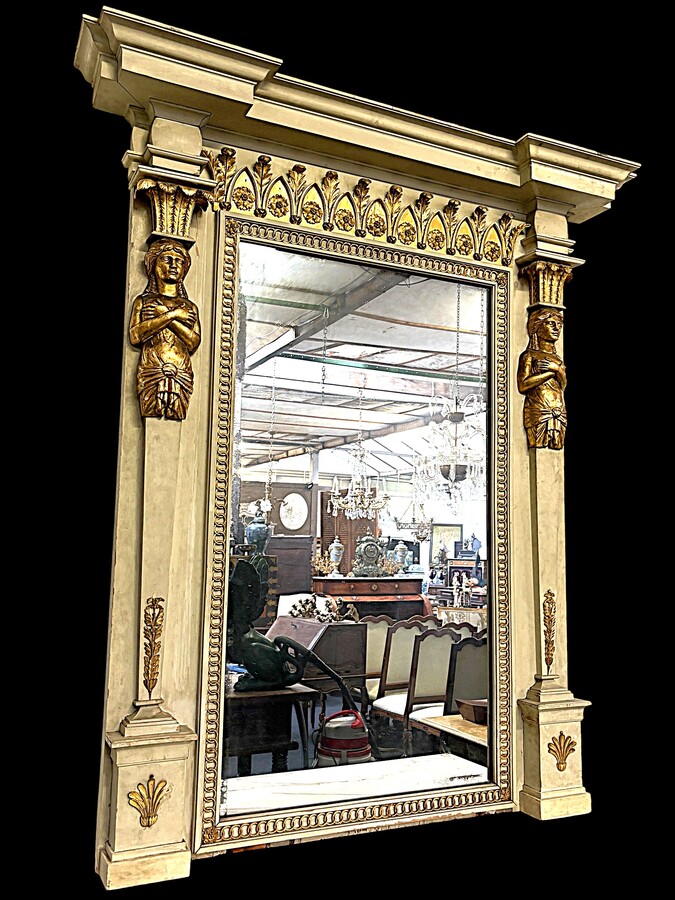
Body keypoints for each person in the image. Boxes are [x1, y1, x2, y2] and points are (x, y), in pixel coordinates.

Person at [129, 238, 201, 420]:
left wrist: (169, 315)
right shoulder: (143, 301)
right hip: (152, 369)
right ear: (153, 264)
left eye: (179, 261)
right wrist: (172, 315)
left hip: (180, 371)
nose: (173, 265)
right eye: (167, 259)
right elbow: (136, 335)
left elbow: (193, 342)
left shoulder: (189, 307)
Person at [517, 307, 566, 449]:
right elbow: (523, 385)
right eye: (551, 324)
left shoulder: (557, 359)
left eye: (559, 325)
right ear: (537, 326)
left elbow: (562, 386)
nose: (557, 328)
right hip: (538, 409)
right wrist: (550, 372)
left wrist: (558, 370)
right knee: (538, 448)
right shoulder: (529, 355)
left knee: (556, 447)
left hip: (558, 408)